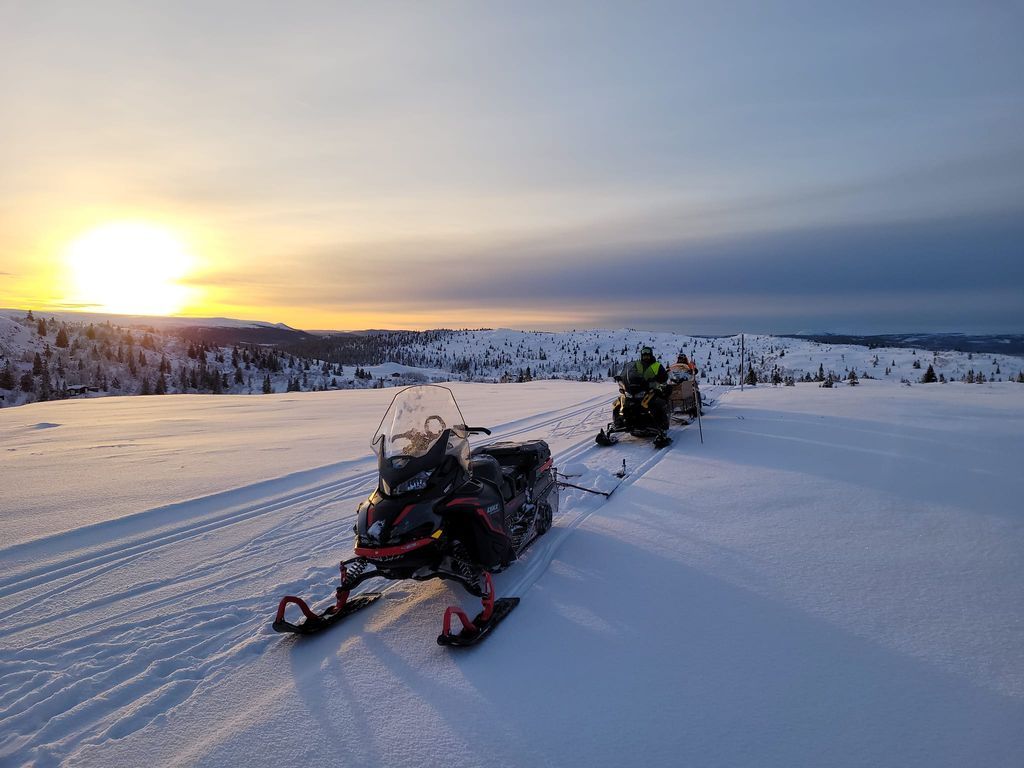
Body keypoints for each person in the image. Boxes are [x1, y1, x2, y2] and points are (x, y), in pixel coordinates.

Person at [632, 347, 669, 428]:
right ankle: (621, 421)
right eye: (644, 356)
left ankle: (662, 423)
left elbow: (665, 376)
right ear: (641, 356)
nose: (646, 358)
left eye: (647, 356)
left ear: (651, 355)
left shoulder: (657, 365)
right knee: (625, 401)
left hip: (654, 388)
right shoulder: (637, 364)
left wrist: (657, 379)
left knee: (656, 402)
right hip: (639, 388)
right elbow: (631, 373)